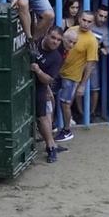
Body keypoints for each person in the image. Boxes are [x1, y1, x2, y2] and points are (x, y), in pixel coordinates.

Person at [56, 10, 98, 143]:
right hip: (59, 71)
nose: (86, 23)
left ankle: (67, 130)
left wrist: (83, 84)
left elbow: (90, 64)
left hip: (72, 76)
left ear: (92, 23)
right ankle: (55, 126)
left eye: (89, 21)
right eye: (84, 20)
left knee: (65, 103)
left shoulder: (92, 40)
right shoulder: (72, 29)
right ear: (79, 19)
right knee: (53, 100)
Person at [30, 26, 65, 162]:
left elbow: (49, 79)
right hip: (22, 82)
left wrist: (38, 71)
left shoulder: (56, 57)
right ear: (47, 35)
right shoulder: (36, 40)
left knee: (43, 116)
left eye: (58, 40)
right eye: (53, 37)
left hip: (40, 86)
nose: (55, 42)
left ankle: (51, 147)